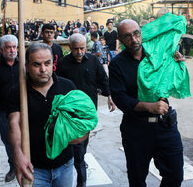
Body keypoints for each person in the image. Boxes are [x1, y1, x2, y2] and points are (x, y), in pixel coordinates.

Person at [109, 19, 183, 187]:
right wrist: (150, 106)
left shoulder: (157, 55)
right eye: (127, 36)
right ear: (119, 39)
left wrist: (175, 62)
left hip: (165, 127)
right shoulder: (117, 64)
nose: (134, 40)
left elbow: (171, 80)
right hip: (136, 130)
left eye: (136, 33)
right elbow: (120, 98)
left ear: (141, 33)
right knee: (137, 179)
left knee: (175, 175)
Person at [7, 43, 87, 187]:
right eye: (36, 64)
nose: (43, 69)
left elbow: (83, 121)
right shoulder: (18, 92)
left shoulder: (67, 87)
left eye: (47, 63)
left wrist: (81, 135)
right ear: (27, 67)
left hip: (65, 165)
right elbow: (14, 125)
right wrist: (17, 153)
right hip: (33, 168)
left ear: (52, 64)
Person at [56, 33, 115, 187]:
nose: (80, 52)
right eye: (76, 49)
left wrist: (109, 95)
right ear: (70, 48)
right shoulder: (63, 64)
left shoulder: (93, 61)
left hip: (88, 111)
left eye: (82, 48)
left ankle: (80, 159)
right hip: (71, 112)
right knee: (75, 143)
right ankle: (81, 174)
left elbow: (103, 79)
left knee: (84, 140)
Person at [0, 35, 18, 182]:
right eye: (8, 47)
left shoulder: (24, 65)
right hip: (5, 111)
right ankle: (13, 166)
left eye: (14, 47)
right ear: (2, 49)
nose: (12, 50)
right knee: (8, 140)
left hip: (24, 110)